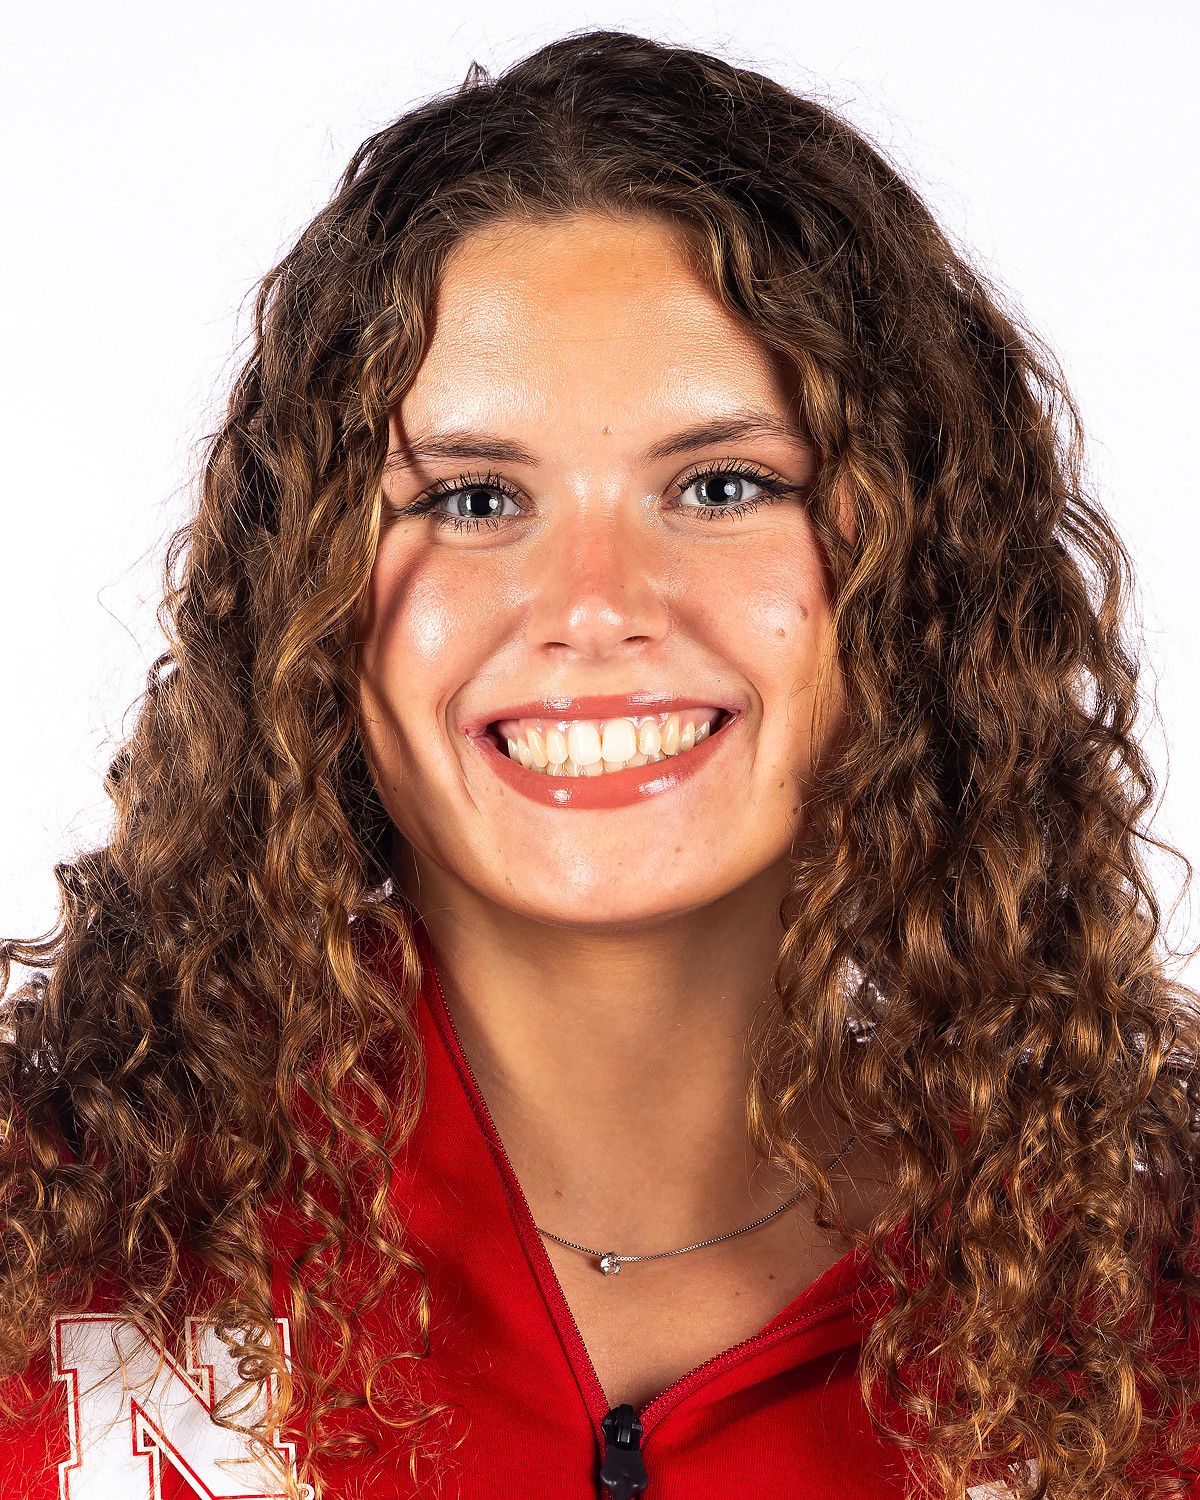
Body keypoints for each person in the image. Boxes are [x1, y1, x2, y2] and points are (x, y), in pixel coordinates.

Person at [2, 25, 1199, 1500]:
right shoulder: (44, 1243)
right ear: (300, 592)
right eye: (476, 494)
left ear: (917, 575)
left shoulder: (1143, 1319)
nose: (593, 608)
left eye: (722, 484)